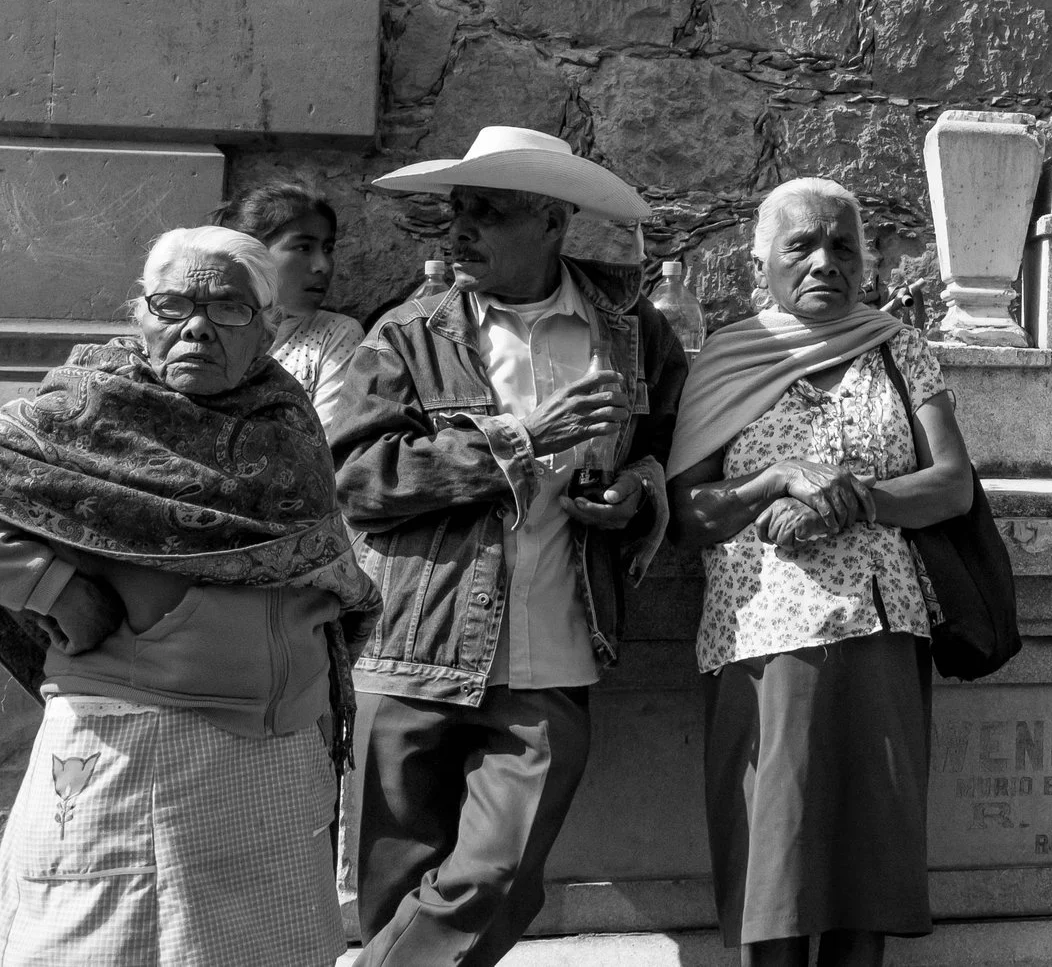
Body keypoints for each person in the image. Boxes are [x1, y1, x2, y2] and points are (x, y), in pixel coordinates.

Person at [334, 126, 685, 967]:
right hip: (414, 641)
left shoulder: (632, 330)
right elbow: (356, 480)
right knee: (396, 888)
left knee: (498, 875)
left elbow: (672, 445)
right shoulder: (408, 332)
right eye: (458, 209)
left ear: (553, 221)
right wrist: (514, 442)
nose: (460, 230)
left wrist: (641, 487)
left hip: (553, 649)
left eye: (487, 212)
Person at [0, 226, 377, 966]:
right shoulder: (85, 407)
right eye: (172, 304)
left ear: (268, 325)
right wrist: (49, 586)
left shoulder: (283, 417)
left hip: (275, 751)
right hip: (128, 743)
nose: (196, 324)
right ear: (139, 314)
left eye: (228, 307)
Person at [667, 179, 974, 967]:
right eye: (801, 244)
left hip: (883, 631)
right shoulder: (727, 360)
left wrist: (853, 499)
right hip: (766, 639)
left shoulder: (897, 347)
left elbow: (952, 484)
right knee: (779, 874)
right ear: (758, 259)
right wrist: (776, 479)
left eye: (843, 245)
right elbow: (689, 512)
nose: (823, 261)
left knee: (864, 879)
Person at [214, 179, 366, 427]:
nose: (323, 266)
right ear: (251, 254)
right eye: (304, 247)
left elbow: (324, 443)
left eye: (328, 248)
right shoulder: (207, 327)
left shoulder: (334, 334)